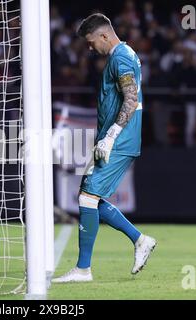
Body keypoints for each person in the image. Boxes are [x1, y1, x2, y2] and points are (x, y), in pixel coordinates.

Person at [52, 13, 156, 283]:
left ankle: (83, 269)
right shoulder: (124, 54)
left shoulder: (120, 58)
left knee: (87, 197)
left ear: (104, 36)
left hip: (119, 139)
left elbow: (130, 99)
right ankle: (140, 240)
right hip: (115, 138)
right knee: (89, 197)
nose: (90, 48)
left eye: (90, 42)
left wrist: (111, 135)